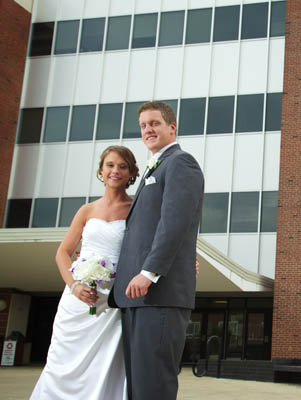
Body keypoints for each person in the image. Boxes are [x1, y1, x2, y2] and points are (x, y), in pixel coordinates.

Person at [109, 101, 204, 400]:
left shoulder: (181, 163)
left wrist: (149, 272)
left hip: (157, 295)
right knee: (138, 385)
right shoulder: (158, 165)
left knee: (154, 386)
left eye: (155, 123)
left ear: (171, 127)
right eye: (143, 125)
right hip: (135, 299)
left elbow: (174, 224)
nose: (148, 129)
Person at [31, 146, 139, 399]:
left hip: (112, 301)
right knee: (63, 361)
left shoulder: (137, 209)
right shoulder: (86, 210)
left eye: (122, 166)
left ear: (132, 173)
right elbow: (62, 253)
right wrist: (74, 285)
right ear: (101, 170)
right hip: (77, 299)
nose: (115, 171)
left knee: (106, 364)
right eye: (110, 165)